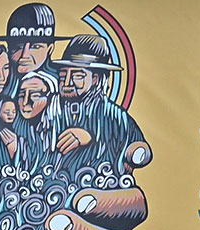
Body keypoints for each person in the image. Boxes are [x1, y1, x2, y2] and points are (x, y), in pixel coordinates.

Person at [52, 34, 151, 176]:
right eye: (63, 76)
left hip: (100, 188)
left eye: (77, 76)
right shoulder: (51, 111)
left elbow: (138, 145)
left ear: (95, 79)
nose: (67, 82)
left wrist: (136, 153)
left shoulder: (115, 116)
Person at [11, 70, 61, 173]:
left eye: (35, 96)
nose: (25, 102)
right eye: (21, 96)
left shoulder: (60, 132)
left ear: (51, 98)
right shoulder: (14, 134)